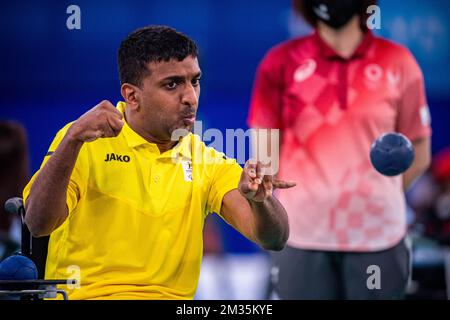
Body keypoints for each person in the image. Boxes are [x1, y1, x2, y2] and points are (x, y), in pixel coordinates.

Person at [22, 26, 295, 300]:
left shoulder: (206, 160)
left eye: (195, 81)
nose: (191, 97)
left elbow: (274, 239)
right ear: (132, 96)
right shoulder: (82, 141)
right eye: (172, 84)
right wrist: (71, 141)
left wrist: (261, 202)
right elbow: (38, 223)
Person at [248, 0, 432, 299]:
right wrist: (294, 204)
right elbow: (265, 159)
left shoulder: (397, 61)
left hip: (379, 236)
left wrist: (378, 196)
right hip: (302, 236)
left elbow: (420, 151)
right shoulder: (280, 62)